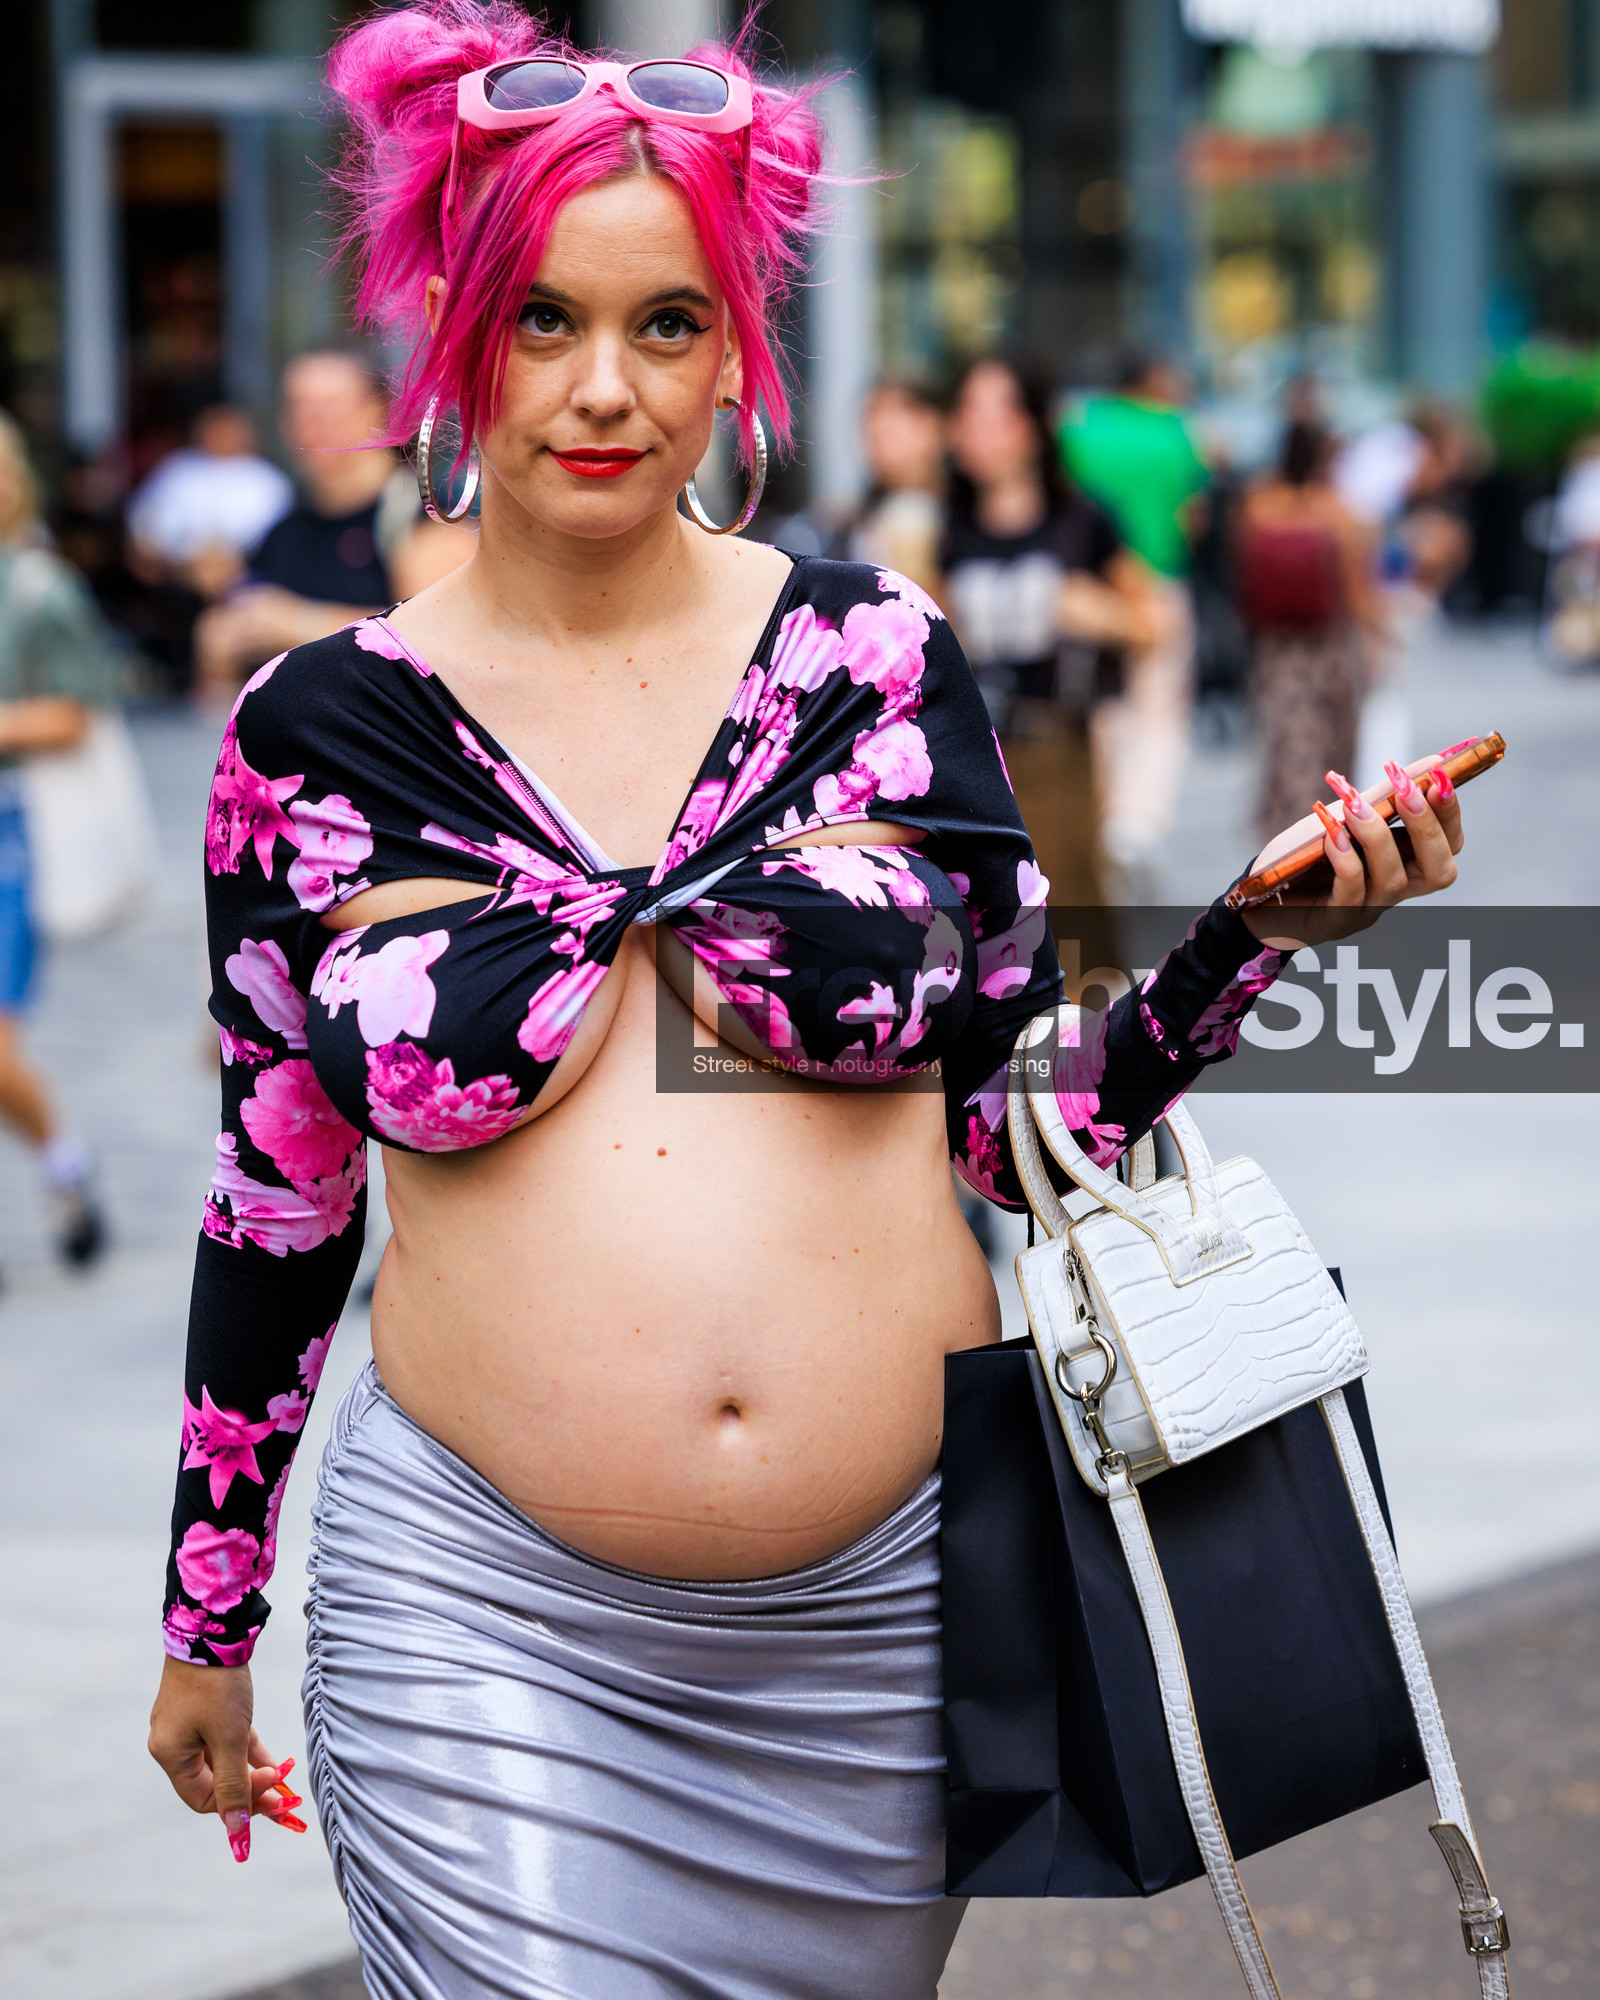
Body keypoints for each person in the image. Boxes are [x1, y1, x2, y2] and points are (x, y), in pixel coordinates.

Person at [146, 12, 1468, 1995]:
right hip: (477, 1615)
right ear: (451, 337)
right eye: (539, 321)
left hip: (872, 1646)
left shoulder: (864, 655)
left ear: (732, 351)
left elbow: (1020, 1130)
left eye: (667, 325)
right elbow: (275, 1208)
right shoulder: (313, 736)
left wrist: (1244, 945)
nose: (605, 388)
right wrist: (206, 1613)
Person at [941, 356, 1163, 906]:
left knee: (1071, 912)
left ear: (1034, 426)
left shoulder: (1081, 521)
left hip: (1056, 747)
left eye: (997, 414)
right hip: (970, 756)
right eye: (968, 414)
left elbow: (1153, 625)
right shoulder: (948, 530)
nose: (980, 432)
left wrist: (1096, 610)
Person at [193, 350, 475, 700]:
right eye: (299, 405)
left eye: (332, 405)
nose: (312, 421)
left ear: (380, 413)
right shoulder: (283, 529)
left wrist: (294, 622)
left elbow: (439, 648)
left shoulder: (424, 522)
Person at [0, 414, 113, 1280]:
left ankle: (64, 1163)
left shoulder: (38, 590)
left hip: (12, 837)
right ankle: (65, 1170)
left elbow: (76, 713)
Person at [1059, 352, 1208, 896]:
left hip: (1093, 584)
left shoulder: (1080, 426)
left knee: (1103, 705)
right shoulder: (1176, 430)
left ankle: (1104, 814)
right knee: (1161, 710)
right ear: (1156, 379)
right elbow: (1193, 515)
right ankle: (1136, 826)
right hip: (1159, 581)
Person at [1235, 418, 1385, 847]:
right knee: (1333, 746)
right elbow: (1358, 587)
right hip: (1328, 646)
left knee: (1286, 746)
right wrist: (1379, 639)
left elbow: (1243, 572)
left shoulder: (1256, 503)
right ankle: (1326, 832)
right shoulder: (1337, 509)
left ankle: (1280, 835)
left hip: (1277, 646)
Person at [126, 405, 295, 604]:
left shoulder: (268, 479)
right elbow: (144, 524)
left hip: (247, 584)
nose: (221, 435)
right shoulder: (178, 468)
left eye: (227, 429)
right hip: (172, 580)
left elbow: (277, 543)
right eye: (214, 428)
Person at [832, 378, 946, 601]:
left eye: (892, 433)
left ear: (932, 426)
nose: (878, 449)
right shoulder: (858, 521)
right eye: (872, 436)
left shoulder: (958, 515)